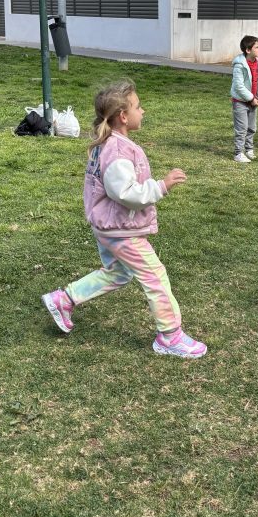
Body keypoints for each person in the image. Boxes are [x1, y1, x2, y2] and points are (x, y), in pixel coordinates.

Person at [41, 80, 207, 359]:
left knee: (119, 272)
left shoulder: (111, 144)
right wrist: (162, 186)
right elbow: (125, 193)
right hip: (120, 229)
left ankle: (64, 299)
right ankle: (170, 336)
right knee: (155, 275)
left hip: (109, 226)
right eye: (138, 107)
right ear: (123, 116)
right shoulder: (117, 152)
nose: (143, 111)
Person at [230, 35, 258, 163]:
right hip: (240, 101)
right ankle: (238, 153)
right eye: (257, 47)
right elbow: (238, 86)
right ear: (248, 50)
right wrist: (251, 98)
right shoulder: (239, 65)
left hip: (253, 101)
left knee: (252, 127)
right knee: (242, 128)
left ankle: (249, 149)